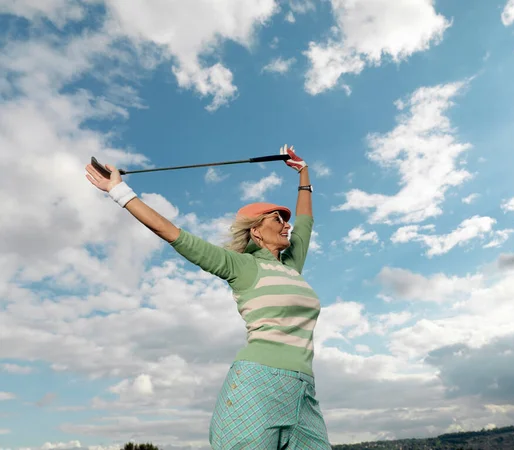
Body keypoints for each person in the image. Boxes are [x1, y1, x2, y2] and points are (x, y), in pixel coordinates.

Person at [85, 145, 331, 449]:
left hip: (304, 392)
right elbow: (172, 233)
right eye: (277, 219)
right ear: (256, 232)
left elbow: (306, 222)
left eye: (285, 219)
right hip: (258, 385)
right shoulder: (242, 267)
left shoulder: (291, 266)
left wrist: (303, 170)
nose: (287, 224)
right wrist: (118, 191)